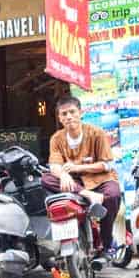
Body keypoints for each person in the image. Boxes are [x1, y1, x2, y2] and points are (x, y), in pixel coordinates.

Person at [43, 97, 123, 254]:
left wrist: (77, 167)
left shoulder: (96, 133)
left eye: (72, 112)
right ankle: (88, 195)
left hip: (100, 179)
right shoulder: (56, 138)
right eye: (64, 114)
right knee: (46, 179)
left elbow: (106, 164)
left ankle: (107, 242)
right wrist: (63, 175)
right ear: (59, 118)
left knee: (113, 194)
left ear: (80, 113)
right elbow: (54, 166)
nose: (69, 117)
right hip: (76, 183)